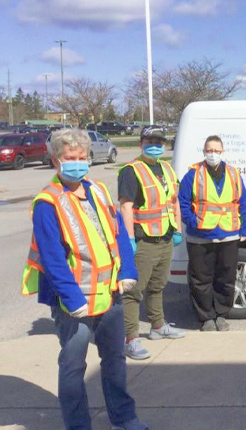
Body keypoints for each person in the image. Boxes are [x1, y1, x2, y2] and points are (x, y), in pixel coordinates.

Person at [21, 128, 148, 430]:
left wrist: (128, 271)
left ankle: (123, 417)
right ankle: (78, 426)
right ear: (56, 161)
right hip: (74, 301)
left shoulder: (99, 191)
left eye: (81, 158)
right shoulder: (47, 202)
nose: (77, 163)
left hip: (110, 294)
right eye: (69, 158)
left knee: (115, 360)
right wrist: (71, 298)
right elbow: (52, 258)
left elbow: (117, 235)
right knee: (74, 366)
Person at [118, 125, 185, 360]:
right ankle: (131, 339)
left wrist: (177, 228)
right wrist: (128, 239)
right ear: (141, 144)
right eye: (150, 142)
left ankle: (158, 326)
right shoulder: (131, 171)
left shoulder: (166, 168)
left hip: (165, 237)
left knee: (158, 286)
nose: (155, 146)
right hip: (143, 240)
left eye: (159, 142)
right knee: (134, 291)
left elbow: (173, 201)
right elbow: (126, 206)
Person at [178, 135, 246, 331]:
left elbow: (242, 202)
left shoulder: (234, 174)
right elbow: (183, 203)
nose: (213, 154)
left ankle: (221, 314)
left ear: (222, 152)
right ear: (204, 152)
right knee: (201, 279)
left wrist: (245, 227)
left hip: (228, 233)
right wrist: (193, 222)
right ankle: (206, 317)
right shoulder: (192, 174)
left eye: (217, 151)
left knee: (226, 278)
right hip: (200, 236)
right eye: (209, 150)